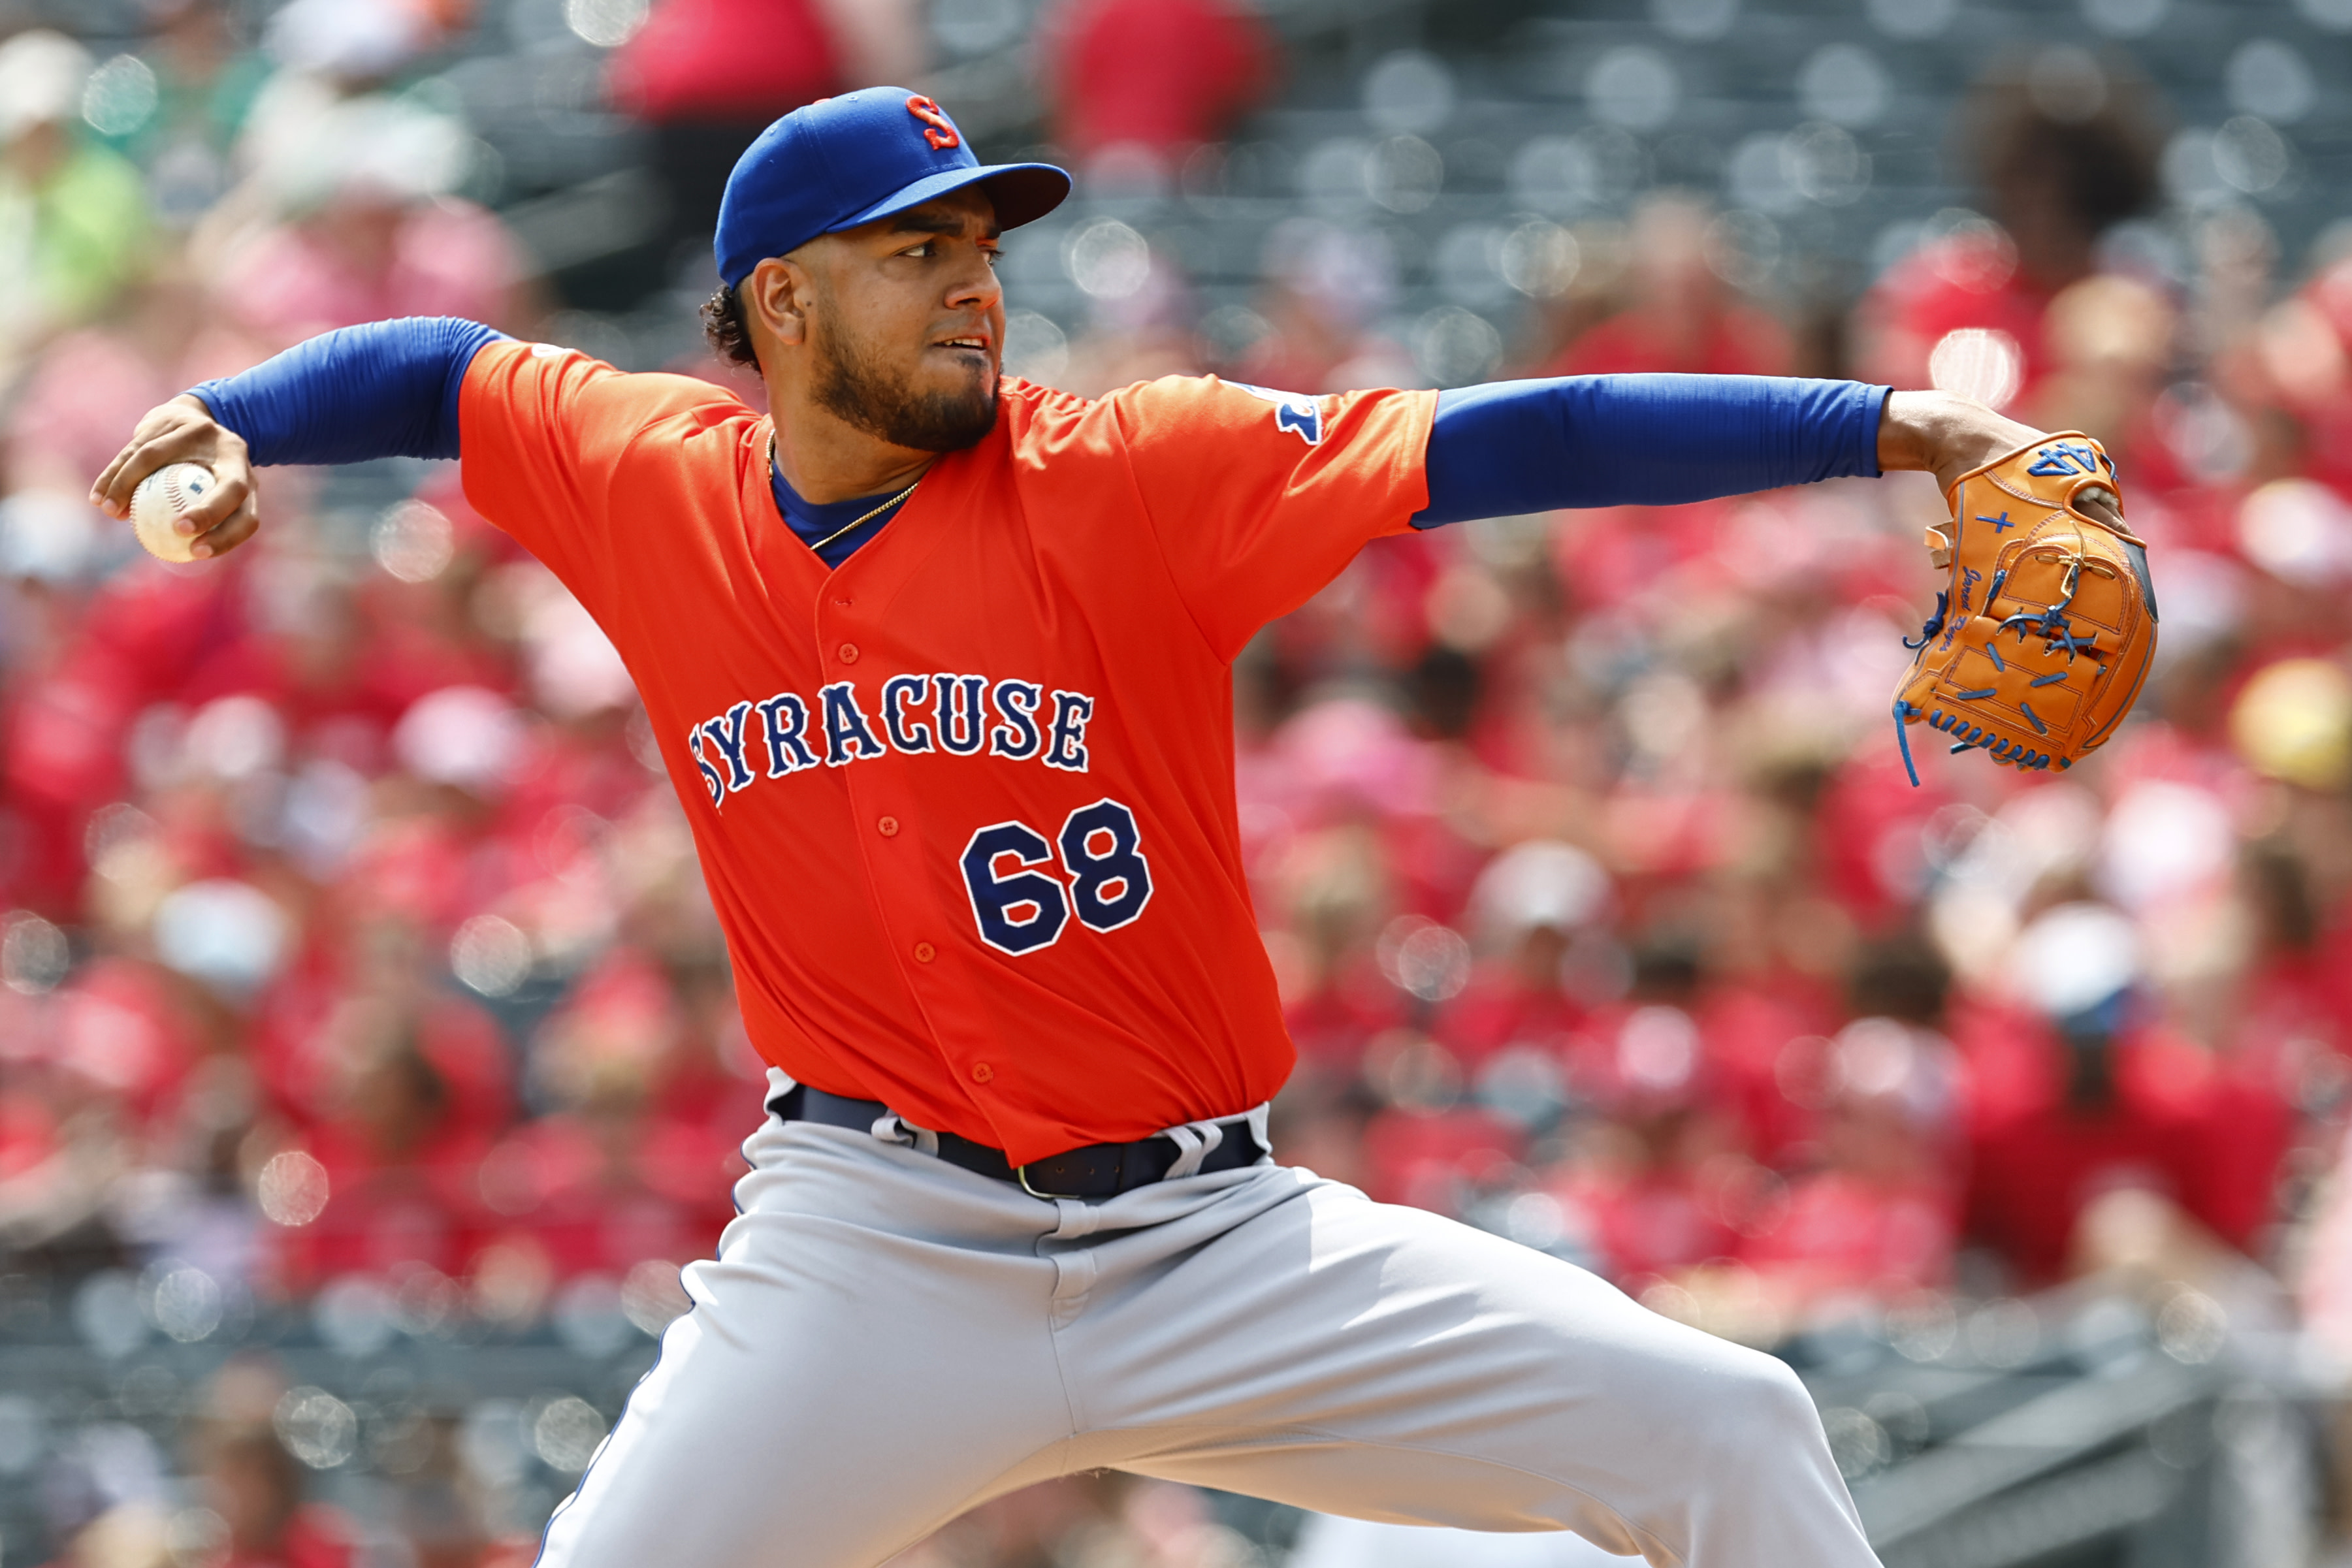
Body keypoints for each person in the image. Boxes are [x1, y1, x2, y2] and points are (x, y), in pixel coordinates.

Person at [94, 85, 2061, 1568]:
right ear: (777, 302)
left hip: (1209, 1237)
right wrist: (235, 411)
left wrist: (1885, 429)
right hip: (870, 1242)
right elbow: (435, 373)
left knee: (1728, 1422)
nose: (974, 286)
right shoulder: (647, 476)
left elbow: (1515, 437)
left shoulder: (1134, 471)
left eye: (983, 246)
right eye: (916, 251)